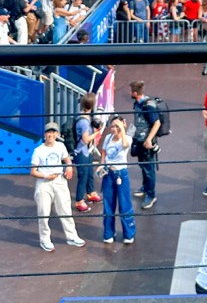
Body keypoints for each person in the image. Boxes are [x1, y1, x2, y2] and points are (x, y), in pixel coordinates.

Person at [30, 121, 86, 252]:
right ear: (44, 134)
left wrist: (69, 167)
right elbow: (33, 171)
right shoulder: (38, 151)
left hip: (60, 181)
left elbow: (67, 160)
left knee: (65, 209)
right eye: (48, 132)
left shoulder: (60, 146)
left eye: (53, 132)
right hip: (44, 184)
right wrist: (45, 176)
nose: (50, 135)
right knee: (43, 212)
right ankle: (45, 239)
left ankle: (72, 237)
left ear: (57, 134)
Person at [98, 115, 136, 244]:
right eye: (112, 126)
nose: (114, 129)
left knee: (125, 204)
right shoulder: (108, 138)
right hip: (109, 173)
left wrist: (122, 129)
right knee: (108, 204)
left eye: (116, 126)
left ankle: (129, 233)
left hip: (121, 174)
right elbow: (103, 151)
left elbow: (125, 145)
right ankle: (108, 233)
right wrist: (101, 164)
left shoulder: (127, 138)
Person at [129, 80, 160, 209]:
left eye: (131, 91)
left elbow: (157, 123)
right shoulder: (137, 104)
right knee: (143, 166)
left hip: (147, 143)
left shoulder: (149, 106)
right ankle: (145, 187)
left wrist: (149, 139)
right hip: (139, 141)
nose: (130, 93)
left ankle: (151, 195)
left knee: (149, 170)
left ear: (135, 93)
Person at [73, 92, 103, 212]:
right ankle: (79, 200)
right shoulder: (84, 122)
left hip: (88, 151)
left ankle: (91, 193)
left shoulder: (85, 117)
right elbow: (85, 139)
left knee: (89, 173)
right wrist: (96, 133)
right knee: (83, 176)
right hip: (82, 152)